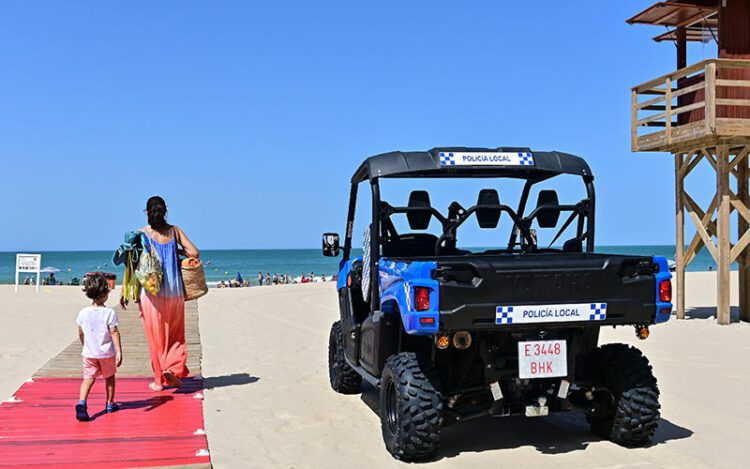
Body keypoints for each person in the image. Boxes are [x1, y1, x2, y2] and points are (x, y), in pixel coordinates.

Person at [121, 196, 199, 392]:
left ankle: (158, 380)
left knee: (155, 336)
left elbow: (132, 265)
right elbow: (194, 252)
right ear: (165, 211)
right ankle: (172, 367)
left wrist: (125, 291)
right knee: (175, 333)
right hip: (174, 292)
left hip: (151, 293)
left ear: (147, 212)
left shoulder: (141, 234)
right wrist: (177, 251)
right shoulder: (174, 231)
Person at [76, 272, 122, 422]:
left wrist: (85, 345)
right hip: (106, 353)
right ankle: (109, 404)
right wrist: (119, 351)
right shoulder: (109, 313)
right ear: (105, 294)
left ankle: (82, 403)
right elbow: (113, 332)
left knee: (88, 379)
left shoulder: (83, 313)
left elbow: (81, 333)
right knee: (109, 377)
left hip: (89, 353)